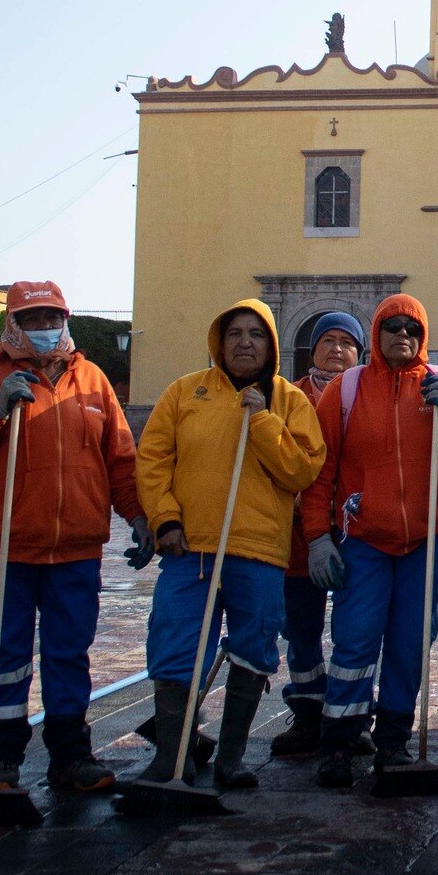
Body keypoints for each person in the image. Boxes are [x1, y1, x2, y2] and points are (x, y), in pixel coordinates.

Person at [0, 281, 145, 792]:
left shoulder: (92, 380)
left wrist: (138, 516)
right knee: (6, 655)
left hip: (76, 549)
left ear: (65, 320)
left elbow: (120, 459)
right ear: (14, 325)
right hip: (6, 547)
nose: (45, 328)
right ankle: (1, 756)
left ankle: (71, 756)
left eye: (52, 318)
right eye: (32, 320)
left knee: (69, 653)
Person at [135, 298, 325, 787]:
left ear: (272, 346)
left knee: (254, 647)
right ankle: (172, 758)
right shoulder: (184, 392)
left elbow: (301, 470)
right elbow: (153, 459)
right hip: (189, 548)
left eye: (256, 334)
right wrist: (164, 519)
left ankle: (231, 759)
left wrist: (262, 421)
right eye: (235, 333)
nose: (245, 343)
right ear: (219, 342)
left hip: (258, 552)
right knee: (175, 642)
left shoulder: (289, 402)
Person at [304, 295, 438, 786]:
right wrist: (317, 536)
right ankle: (340, 741)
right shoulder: (345, 389)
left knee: (410, 642)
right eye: (392, 326)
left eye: (412, 328)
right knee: (356, 639)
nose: (402, 335)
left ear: (423, 335)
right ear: (376, 333)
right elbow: (320, 471)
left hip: (428, 539)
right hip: (364, 538)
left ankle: (393, 741)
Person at [273, 311, 367, 757]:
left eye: (346, 342)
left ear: (359, 352)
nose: (336, 350)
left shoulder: (368, 394)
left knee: (357, 630)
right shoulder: (289, 398)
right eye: (328, 341)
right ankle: (309, 711)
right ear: (312, 350)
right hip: (297, 536)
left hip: (355, 531)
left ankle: (353, 715)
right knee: (301, 629)